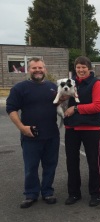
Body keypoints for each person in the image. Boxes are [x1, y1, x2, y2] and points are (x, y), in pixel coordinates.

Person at [6, 57, 60, 209]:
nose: (37, 70)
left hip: (51, 135)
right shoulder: (20, 88)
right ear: (28, 70)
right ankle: (31, 194)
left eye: (40, 68)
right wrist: (22, 128)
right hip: (30, 136)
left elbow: (59, 103)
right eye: (34, 68)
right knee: (31, 167)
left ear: (45, 69)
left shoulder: (52, 87)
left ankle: (48, 192)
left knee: (50, 165)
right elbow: (11, 109)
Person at [63, 56, 100, 207]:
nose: (80, 70)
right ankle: (74, 193)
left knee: (93, 163)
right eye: (78, 67)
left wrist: (75, 108)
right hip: (71, 128)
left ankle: (96, 194)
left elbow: (98, 106)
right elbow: (63, 99)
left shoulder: (96, 83)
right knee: (72, 162)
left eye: (83, 67)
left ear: (89, 68)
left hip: (90, 128)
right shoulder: (71, 83)